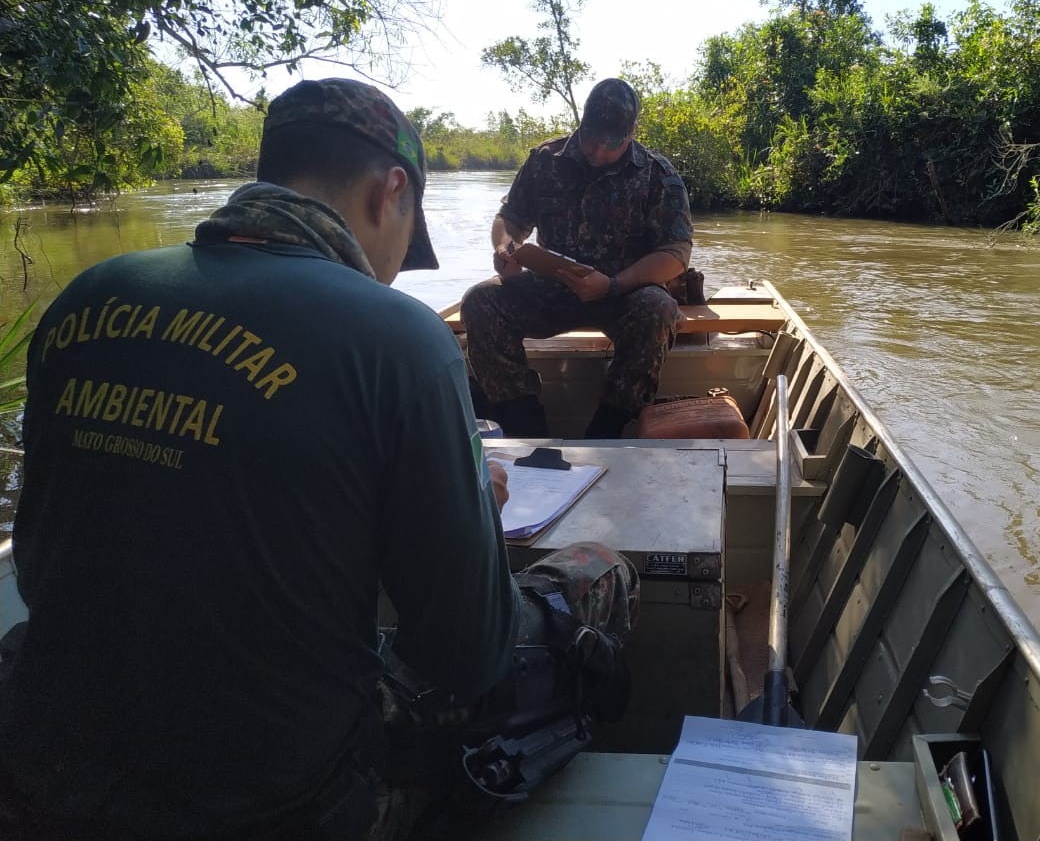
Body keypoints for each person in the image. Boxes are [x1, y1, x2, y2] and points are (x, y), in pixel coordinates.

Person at [0, 78, 637, 840]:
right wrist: (464, 502)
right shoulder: (400, 340)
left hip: (44, 772)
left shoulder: (86, 300)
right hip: (287, 804)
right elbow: (468, 654)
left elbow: (45, 563)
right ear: (390, 190)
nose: (399, 268)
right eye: (410, 238)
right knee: (598, 572)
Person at [460, 78, 694, 439]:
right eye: (591, 138)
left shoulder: (657, 175)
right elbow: (511, 217)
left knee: (658, 307)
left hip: (622, 293)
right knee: (480, 301)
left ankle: (606, 431)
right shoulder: (544, 160)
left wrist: (613, 284)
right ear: (581, 122)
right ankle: (524, 423)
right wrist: (505, 246)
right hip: (550, 290)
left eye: (611, 143)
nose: (598, 151)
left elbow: (676, 253)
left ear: (631, 134)